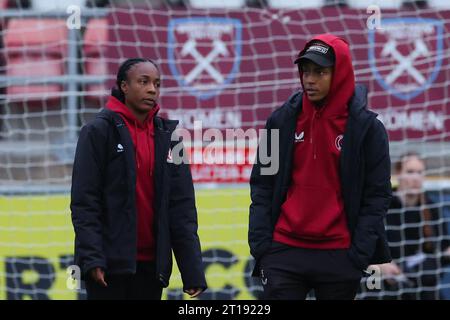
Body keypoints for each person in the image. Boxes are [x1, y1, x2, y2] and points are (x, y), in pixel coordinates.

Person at [248, 34, 392, 300]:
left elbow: (378, 195)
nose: (309, 79)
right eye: (305, 71)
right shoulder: (280, 120)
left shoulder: (369, 129)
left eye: (320, 72)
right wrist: (262, 246)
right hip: (284, 250)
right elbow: (262, 183)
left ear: (340, 74)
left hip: (340, 254)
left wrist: (358, 252)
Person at [71, 58, 207, 300]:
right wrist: (92, 258)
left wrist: (192, 269)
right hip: (109, 267)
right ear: (124, 86)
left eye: (157, 83)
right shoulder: (97, 131)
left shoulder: (170, 137)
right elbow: (84, 203)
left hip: (152, 268)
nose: (152, 89)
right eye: (143, 82)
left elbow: (181, 208)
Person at [375, 152, 450, 300]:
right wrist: (380, 265)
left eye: (419, 172)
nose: (415, 178)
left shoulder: (431, 208)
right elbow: (367, 245)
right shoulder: (383, 206)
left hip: (422, 281)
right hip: (388, 281)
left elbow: (442, 247)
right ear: (398, 174)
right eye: (410, 172)